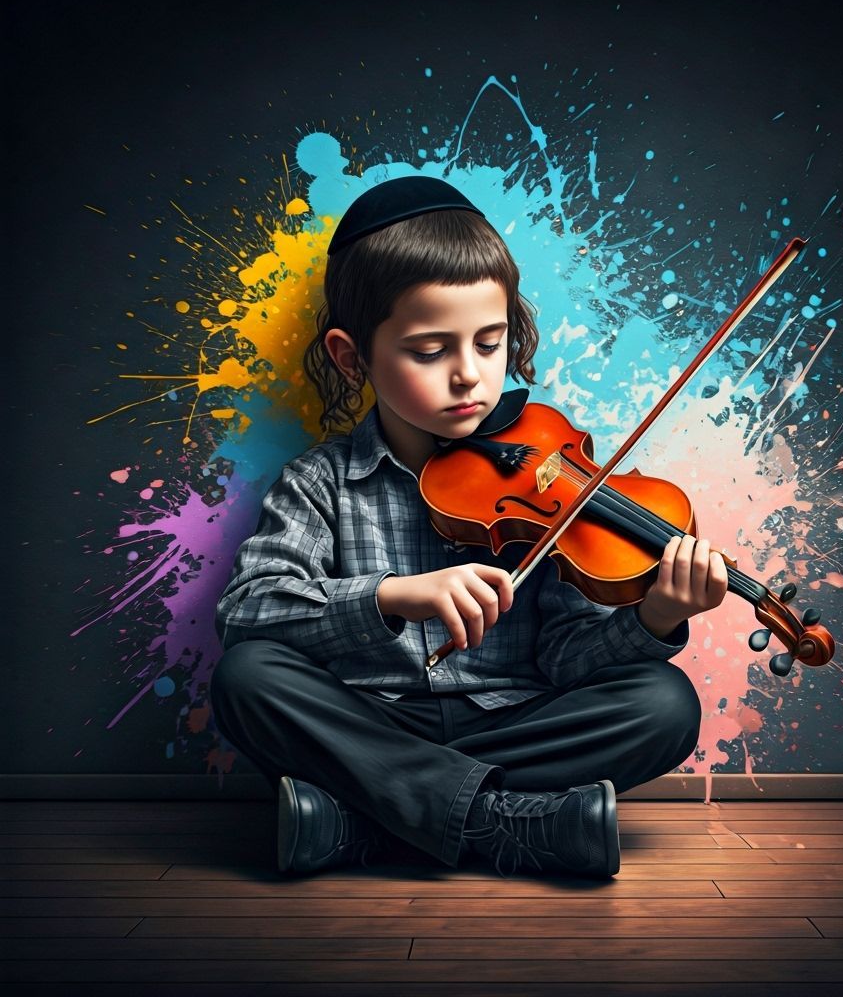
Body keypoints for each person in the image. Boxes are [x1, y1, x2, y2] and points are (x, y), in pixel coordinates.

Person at [210, 176, 728, 880]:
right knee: (247, 677)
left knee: (662, 703)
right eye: (430, 352)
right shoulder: (320, 482)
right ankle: (511, 826)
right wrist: (394, 595)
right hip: (375, 721)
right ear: (350, 356)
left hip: (514, 720)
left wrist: (655, 614)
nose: (470, 379)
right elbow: (249, 610)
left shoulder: (546, 476)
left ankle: (364, 823)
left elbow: (565, 658)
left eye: (489, 344)